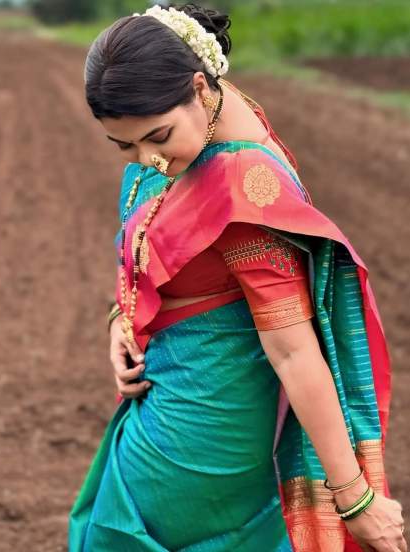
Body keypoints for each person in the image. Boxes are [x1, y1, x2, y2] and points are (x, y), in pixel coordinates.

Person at [69, 3, 406, 551]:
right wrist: (121, 319)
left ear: (199, 86)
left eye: (157, 136)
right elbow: (150, 239)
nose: (148, 160)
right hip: (181, 406)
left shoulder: (243, 190)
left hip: (196, 438)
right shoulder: (214, 115)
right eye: (125, 146)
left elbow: (296, 354)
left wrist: (355, 499)